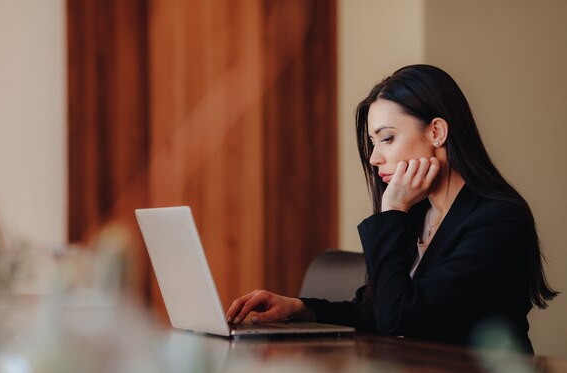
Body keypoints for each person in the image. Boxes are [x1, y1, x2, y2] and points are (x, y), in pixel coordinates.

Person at [226, 64, 558, 353]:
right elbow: (376, 308)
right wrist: (299, 308)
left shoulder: (499, 219)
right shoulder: (418, 215)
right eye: (374, 143)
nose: (374, 158)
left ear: (437, 132)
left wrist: (393, 209)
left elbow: (399, 317)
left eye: (387, 139)